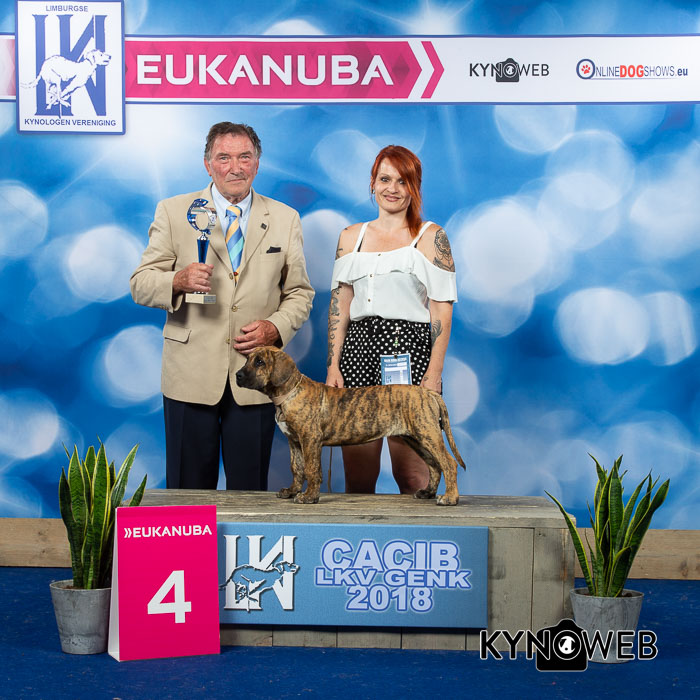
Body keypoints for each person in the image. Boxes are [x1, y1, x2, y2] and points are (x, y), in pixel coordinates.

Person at [130, 121, 314, 491]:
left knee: (250, 492)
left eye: (244, 157)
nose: (235, 167)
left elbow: (299, 293)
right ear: (208, 164)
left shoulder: (285, 218)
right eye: (224, 158)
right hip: (190, 376)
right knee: (187, 493)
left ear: (257, 163)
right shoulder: (173, 211)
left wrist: (276, 327)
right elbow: (140, 283)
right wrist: (177, 281)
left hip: (256, 378)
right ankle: (189, 536)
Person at [326, 145, 456, 494]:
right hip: (357, 354)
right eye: (385, 179)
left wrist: (434, 374)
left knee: (413, 476)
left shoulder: (432, 236)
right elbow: (340, 305)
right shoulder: (350, 237)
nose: (392, 189)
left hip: (408, 355)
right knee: (358, 478)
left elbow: (441, 310)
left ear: (415, 187)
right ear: (373, 183)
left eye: (403, 181)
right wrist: (333, 366)